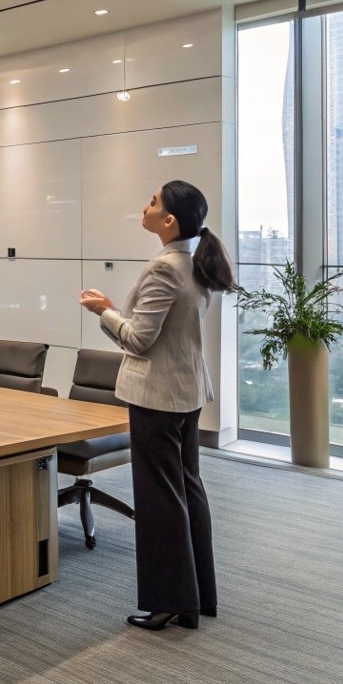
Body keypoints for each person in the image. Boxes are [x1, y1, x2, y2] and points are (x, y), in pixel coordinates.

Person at [78, 179, 237, 631]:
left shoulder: (164, 269)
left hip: (157, 397)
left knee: (160, 501)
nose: (144, 207)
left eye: (152, 203)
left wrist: (104, 311)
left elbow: (138, 339)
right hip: (185, 394)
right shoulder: (194, 263)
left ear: (169, 220)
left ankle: (169, 601)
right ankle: (197, 597)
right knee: (187, 490)